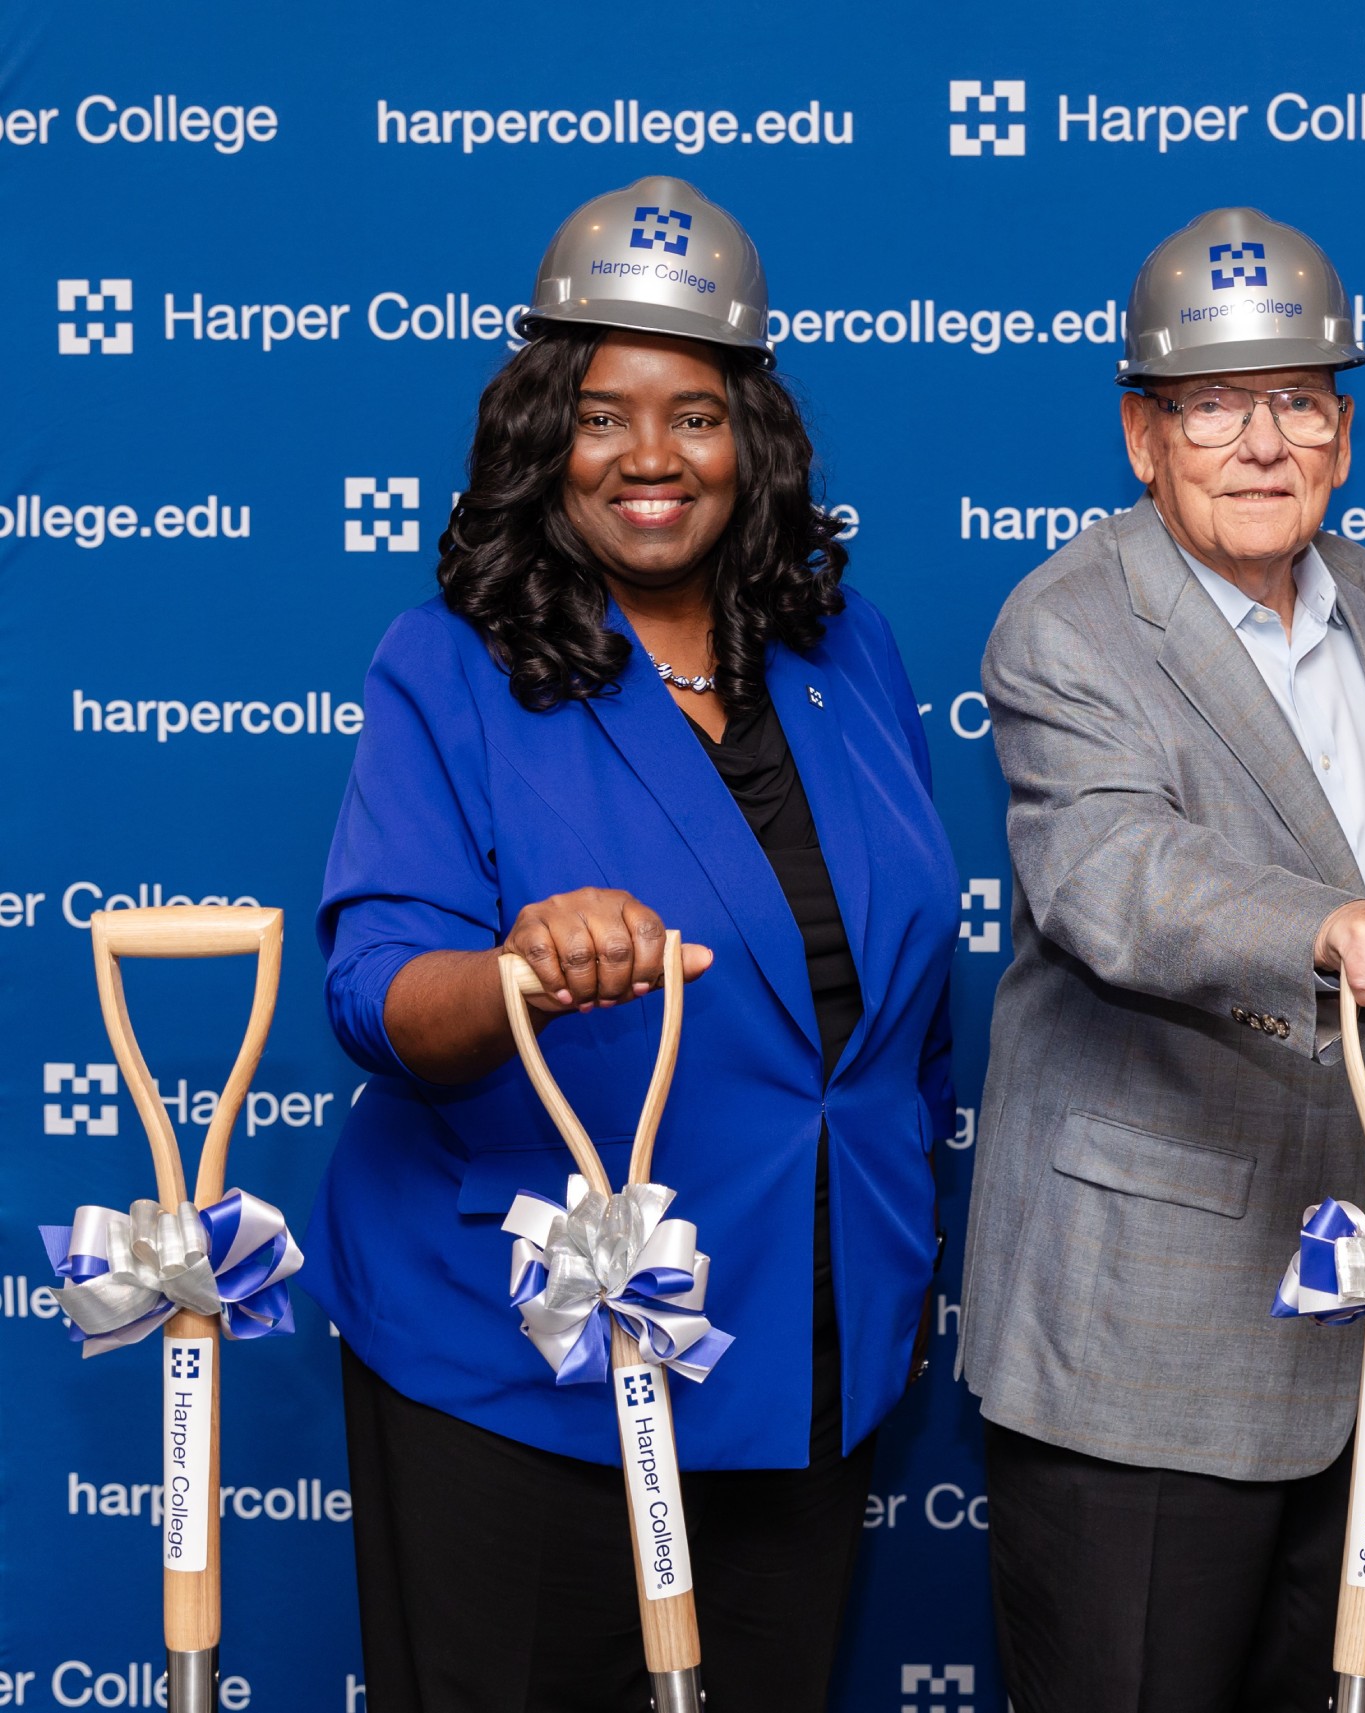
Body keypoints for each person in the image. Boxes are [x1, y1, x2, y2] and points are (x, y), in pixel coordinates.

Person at [303, 177, 957, 1713]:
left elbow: (905, 990)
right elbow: (375, 989)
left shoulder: (843, 647)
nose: (651, 457)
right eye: (601, 417)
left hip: (809, 1340)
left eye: (695, 414)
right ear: (544, 439)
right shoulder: (448, 662)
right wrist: (520, 965)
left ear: (756, 440)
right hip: (520, 1364)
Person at [960, 207, 1365, 1713]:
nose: (1262, 441)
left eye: (1298, 399)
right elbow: (1114, 878)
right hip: (1144, 1335)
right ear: (1143, 435)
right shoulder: (1067, 623)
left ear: (1344, 427)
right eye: (1212, 406)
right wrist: (1336, 927)